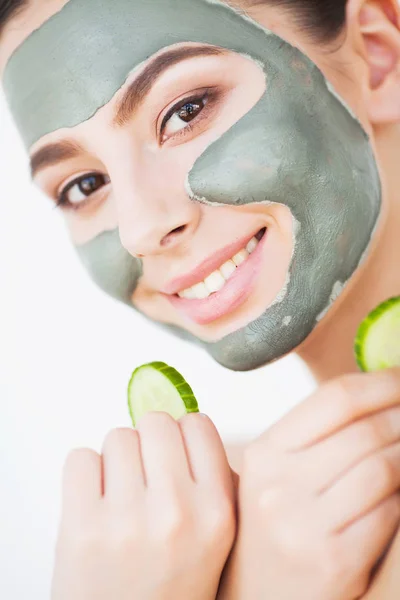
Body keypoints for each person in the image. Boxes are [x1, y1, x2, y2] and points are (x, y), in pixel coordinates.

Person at [1, 0, 400, 598]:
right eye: (86, 185)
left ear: (379, 55)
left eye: (186, 111)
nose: (140, 228)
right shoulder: (182, 535)